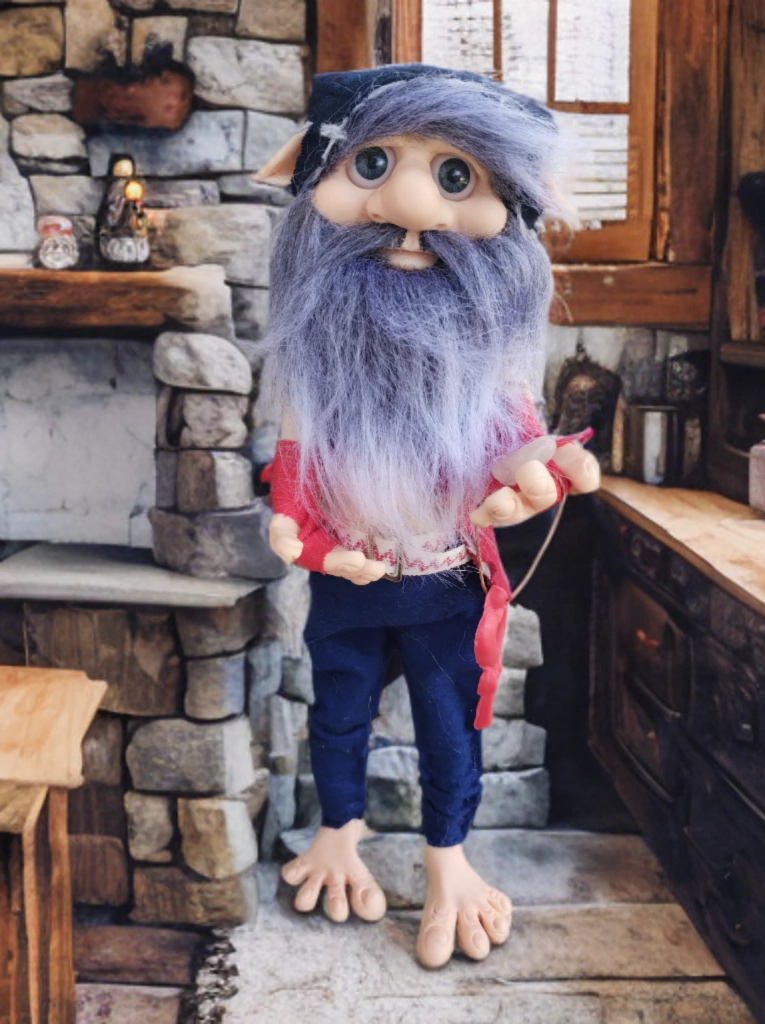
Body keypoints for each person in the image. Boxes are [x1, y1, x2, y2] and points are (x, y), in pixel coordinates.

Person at [255, 64, 600, 968]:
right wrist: (307, 547)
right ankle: (339, 830)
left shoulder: (491, 372)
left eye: (456, 176)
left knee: (451, 727)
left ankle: (448, 857)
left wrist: (541, 469)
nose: (412, 205)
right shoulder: (313, 374)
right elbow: (289, 493)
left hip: (446, 586)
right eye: (371, 164)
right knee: (338, 714)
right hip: (349, 585)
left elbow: (518, 453)